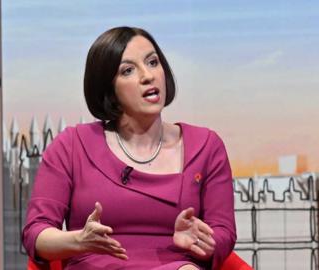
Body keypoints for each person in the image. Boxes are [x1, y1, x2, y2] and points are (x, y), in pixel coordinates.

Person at [22, 26, 236, 270]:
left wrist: (202, 241)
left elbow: (223, 231)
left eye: (153, 62)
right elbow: (35, 234)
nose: (148, 75)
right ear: (108, 88)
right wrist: (80, 240)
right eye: (128, 70)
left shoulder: (206, 146)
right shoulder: (71, 146)